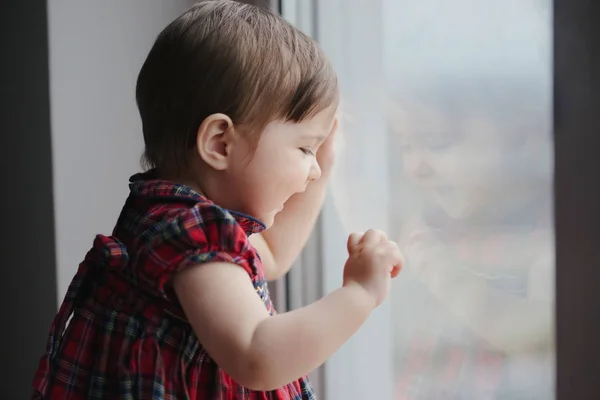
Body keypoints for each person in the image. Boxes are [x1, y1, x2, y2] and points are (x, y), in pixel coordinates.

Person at [31, 1, 403, 399]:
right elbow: (259, 355)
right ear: (219, 143)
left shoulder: (166, 212)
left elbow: (272, 255)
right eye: (304, 149)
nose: (311, 171)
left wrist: (323, 161)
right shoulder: (192, 232)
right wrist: (361, 293)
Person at [387, 77, 554, 399]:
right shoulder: (437, 225)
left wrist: (453, 283)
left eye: (437, 142)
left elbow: (544, 337)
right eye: (406, 146)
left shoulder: (548, 238)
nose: (414, 168)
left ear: (523, 137)